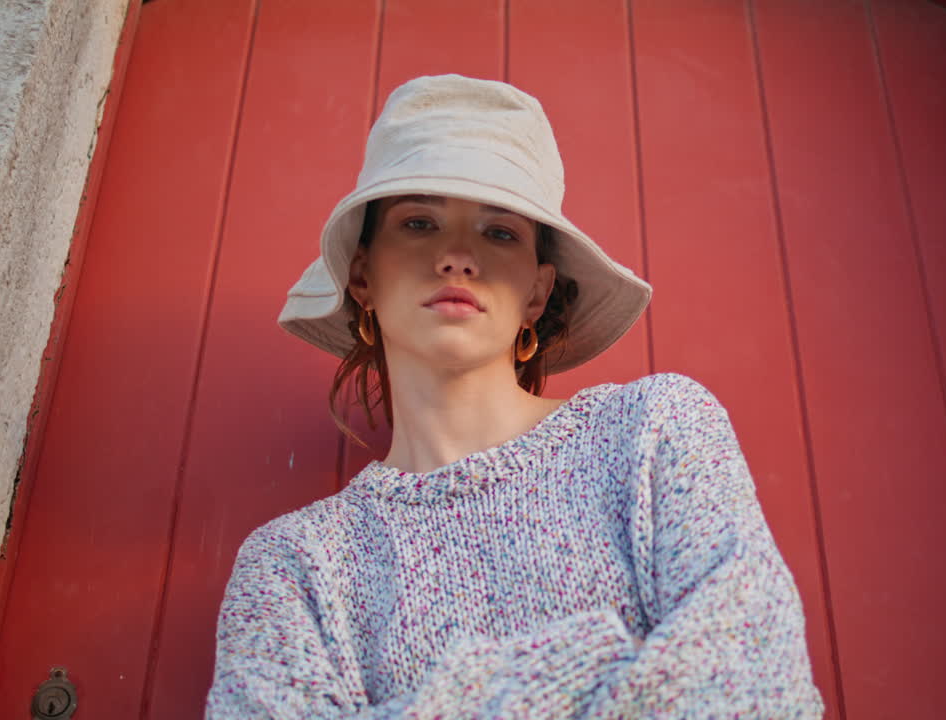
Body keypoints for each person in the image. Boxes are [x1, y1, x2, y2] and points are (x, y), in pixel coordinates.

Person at [206, 74, 824, 719]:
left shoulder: (652, 431)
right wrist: (585, 666)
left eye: (500, 233)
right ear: (362, 275)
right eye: (419, 222)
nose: (457, 257)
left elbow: (760, 694)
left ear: (537, 290)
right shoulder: (294, 567)